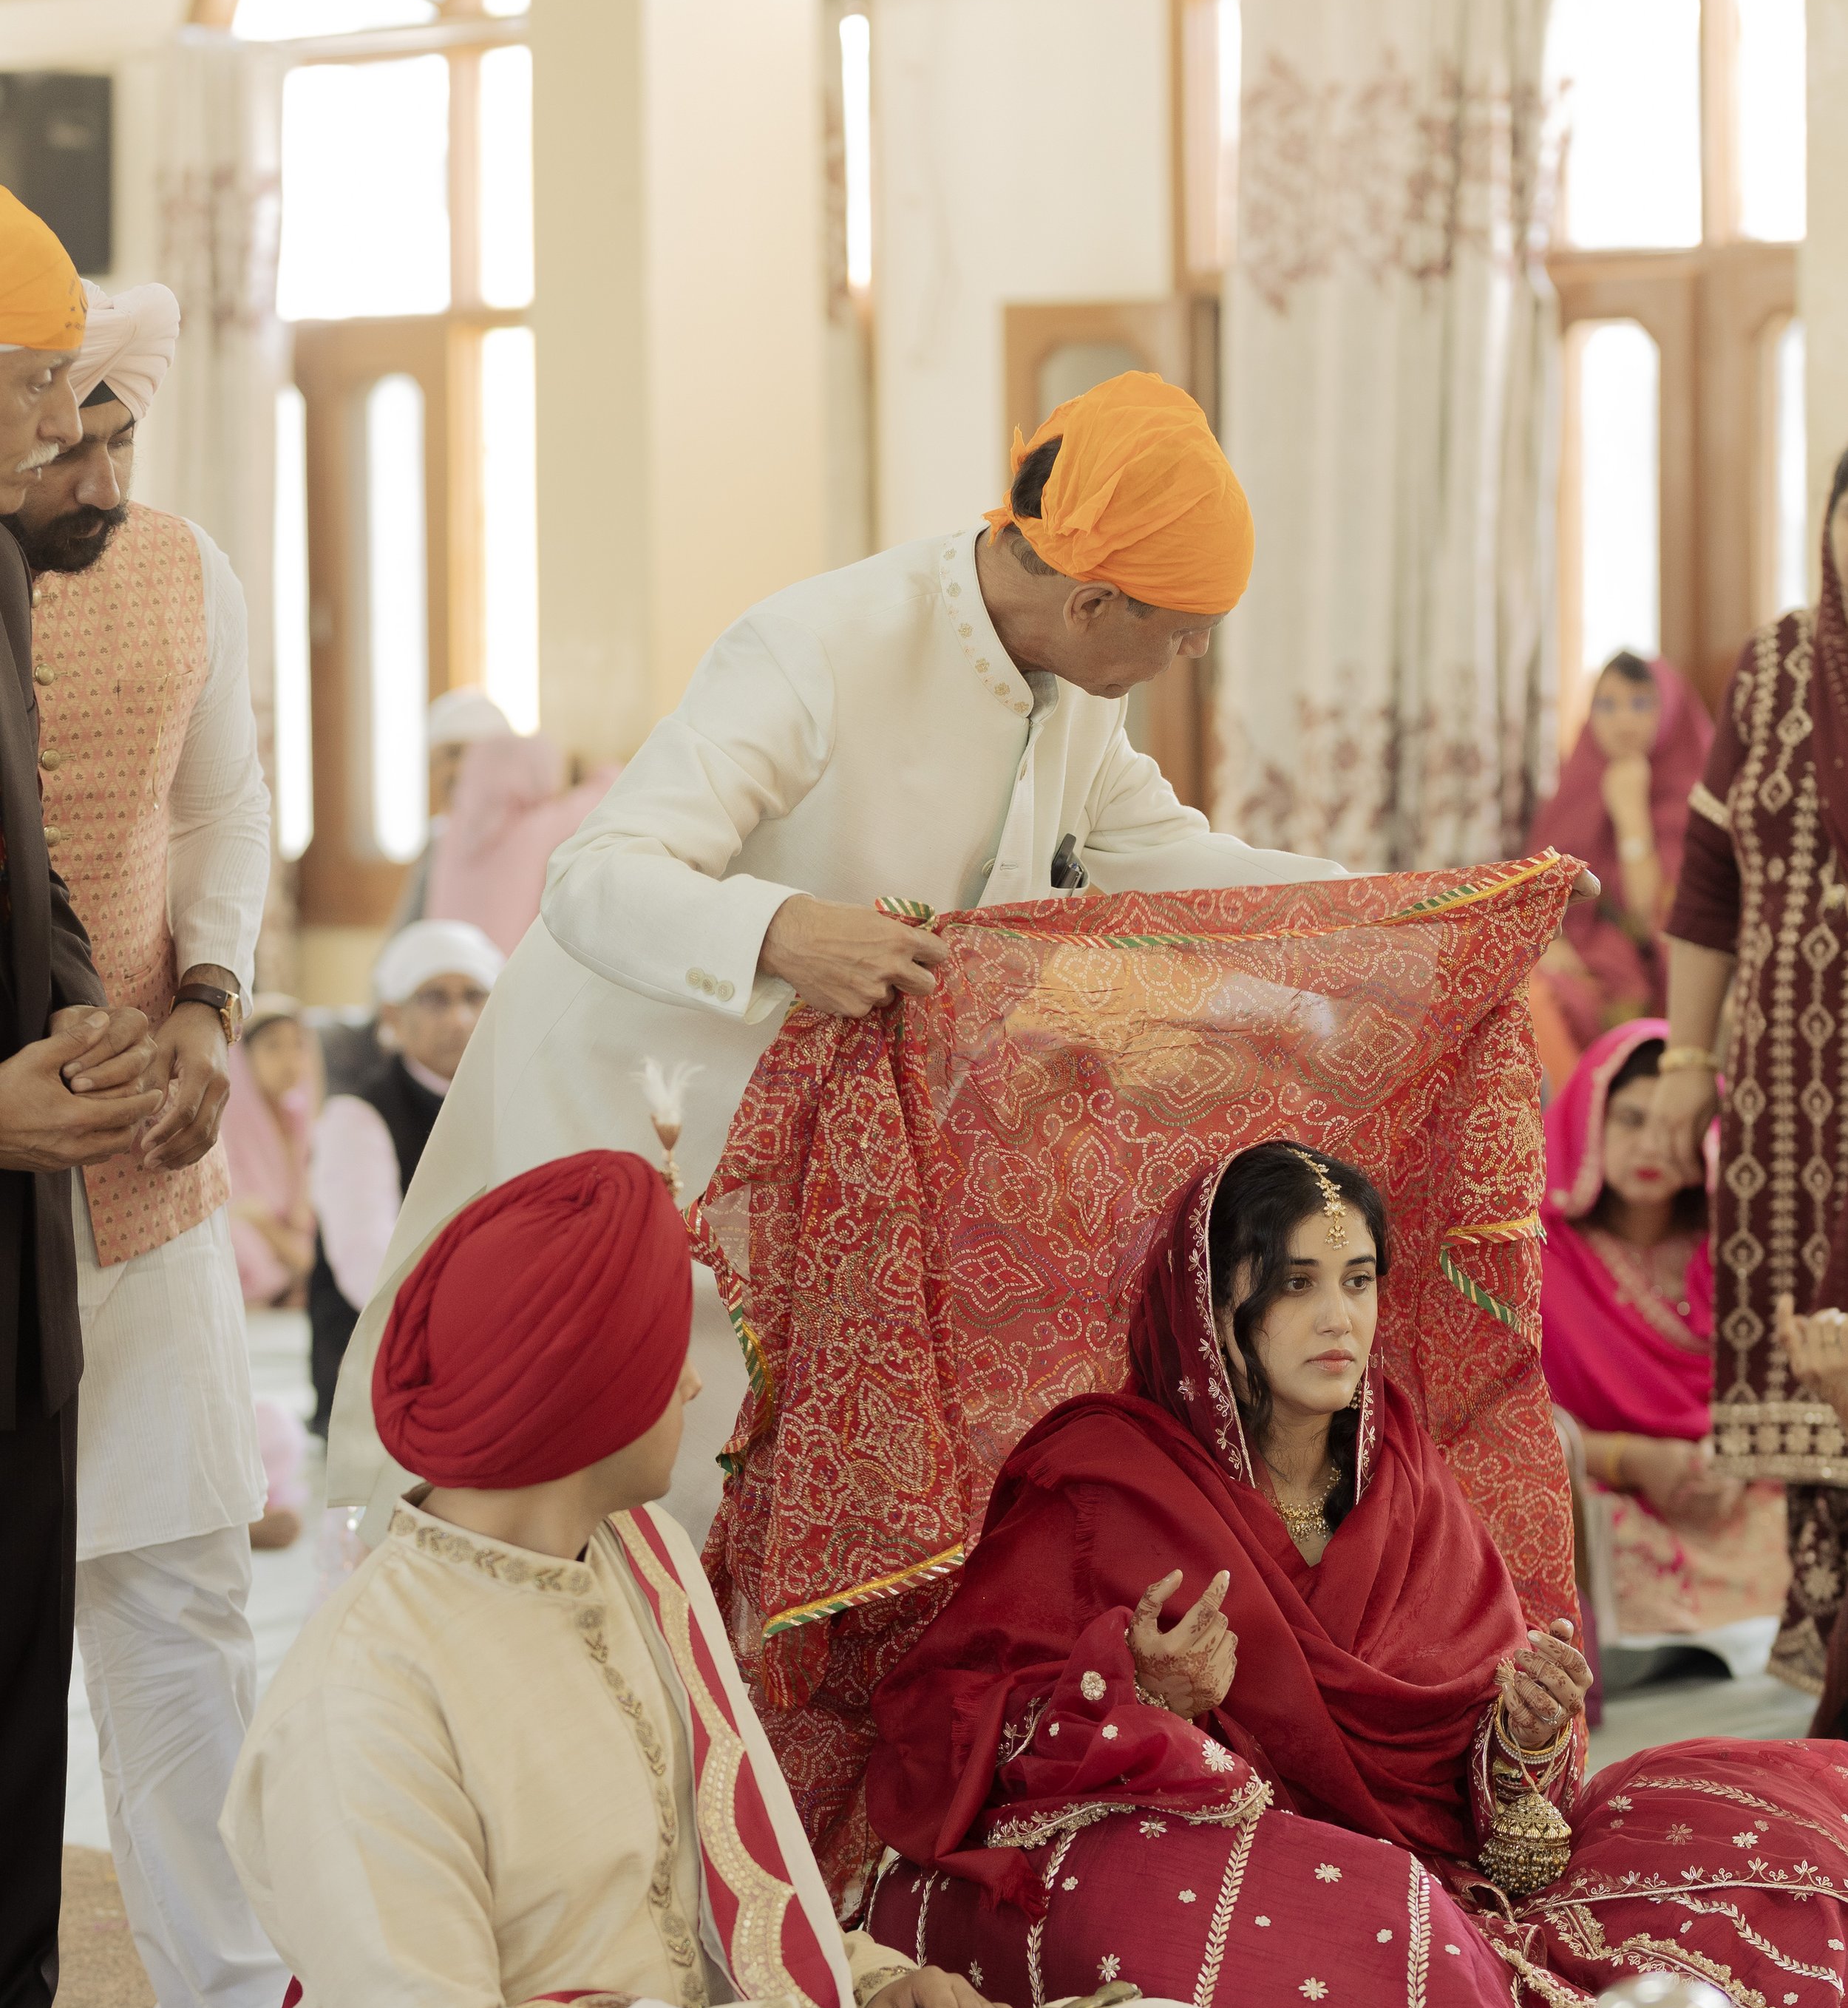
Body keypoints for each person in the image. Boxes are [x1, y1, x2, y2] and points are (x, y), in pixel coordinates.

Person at [222, 1151, 1307, 2008]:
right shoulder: (364, 1686)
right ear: (585, 1383)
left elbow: (742, 1891)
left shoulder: (643, 1560)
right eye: (665, 1345)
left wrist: (881, 1989)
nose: (691, 1383)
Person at [326, 370, 1346, 1547]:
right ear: (1092, 601)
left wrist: (1419, 906)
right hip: (633, 1117)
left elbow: (1170, 854)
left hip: (813, 1165)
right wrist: (783, 930)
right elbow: (597, 874)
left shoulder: (1075, 693)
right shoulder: (815, 646)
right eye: (1181, 629)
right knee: (622, 1499)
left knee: (766, 1522)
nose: (1195, 650)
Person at [863, 1142, 1848, 2008]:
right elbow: (946, 1721)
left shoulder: (1403, 1474)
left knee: (1765, 1827)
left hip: (1422, 1880)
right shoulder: (1102, 1480)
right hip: (1165, 1850)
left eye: (1361, 1279)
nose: (1340, 1317)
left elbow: (1491, 1803)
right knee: (1378, 1909)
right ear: (1215, 1302)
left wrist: (1518, 1739)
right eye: (1296, 1283)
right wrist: (1134, 1688)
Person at [2, 274, 285, 2008]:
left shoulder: (183, 569)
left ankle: (234, 1989)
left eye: (123, 433)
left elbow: (224, 806)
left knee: (177, 1567)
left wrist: (207, 1007)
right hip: (13, 1137)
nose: (101, 472)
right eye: (69, 433)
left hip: (145, 1144)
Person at [0, 189, 197, 2008]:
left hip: (22, 1209)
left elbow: (32, 864)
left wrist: (80, 1013)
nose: (64, 439)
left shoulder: (5, 570)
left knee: (14, 1637)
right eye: (31, 395)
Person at [1651, 452, 1848, 1723]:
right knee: (1814, 1343)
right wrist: (1683, 1064)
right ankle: (1828, 1625)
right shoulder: (1773, 668)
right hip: (1792, 1084)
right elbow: (1711, 883)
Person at [1540, 1021, 1788, 1646]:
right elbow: (1514, 1427)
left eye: (1675, 1123)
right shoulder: (1538, 1257)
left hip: (1733, 1488)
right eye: (1629, 1119)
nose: (1653, 1145)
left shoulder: (1735, 1250)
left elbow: (1779, 1390)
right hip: (1612, 1494)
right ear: (1584, 1120)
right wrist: (1635, 1460)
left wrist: (1734, 1461)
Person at [306, 919, 501, 1438]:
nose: (459, 1018)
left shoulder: (512, 1103)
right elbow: (365, 1266)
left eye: (475, 996)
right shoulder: (358, 1114)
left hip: (497, 1349)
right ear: (394, 1014)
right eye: (434, 998)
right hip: (386, 1361)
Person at [1524, 652, 1711, 1076]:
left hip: (1641, 972)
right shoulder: (1576, 783)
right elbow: (1534, 890)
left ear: (1669, 712)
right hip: (1570, 959)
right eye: (1607, 705)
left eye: (1641, 704)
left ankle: (1574, 1126)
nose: (1623, 721)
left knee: (1541, 1005)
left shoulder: (1693, 799)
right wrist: (1549, 945)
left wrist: (1630, 816)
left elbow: (1654, 921)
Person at [422, 725, 617, 956]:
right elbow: (617, 790)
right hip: (505, 970)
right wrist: (589, 767)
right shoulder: (542, 826)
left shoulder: (450, 830)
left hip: (447, 968)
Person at [390, 685, 515, 930]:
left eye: (460, 754)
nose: (452, 771)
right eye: (441, 759)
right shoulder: (440, 837)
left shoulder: (535, 833)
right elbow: (405, 935)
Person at [220, 999, 318, 1308]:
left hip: (291, 1236)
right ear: (245, 1058)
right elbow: (234, 1206)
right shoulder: (227, 1120)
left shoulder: (301, 1118)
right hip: (250, 1232)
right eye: (273, 1047)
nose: (290, 1060)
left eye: (298, 1046)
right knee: (238, 1245)